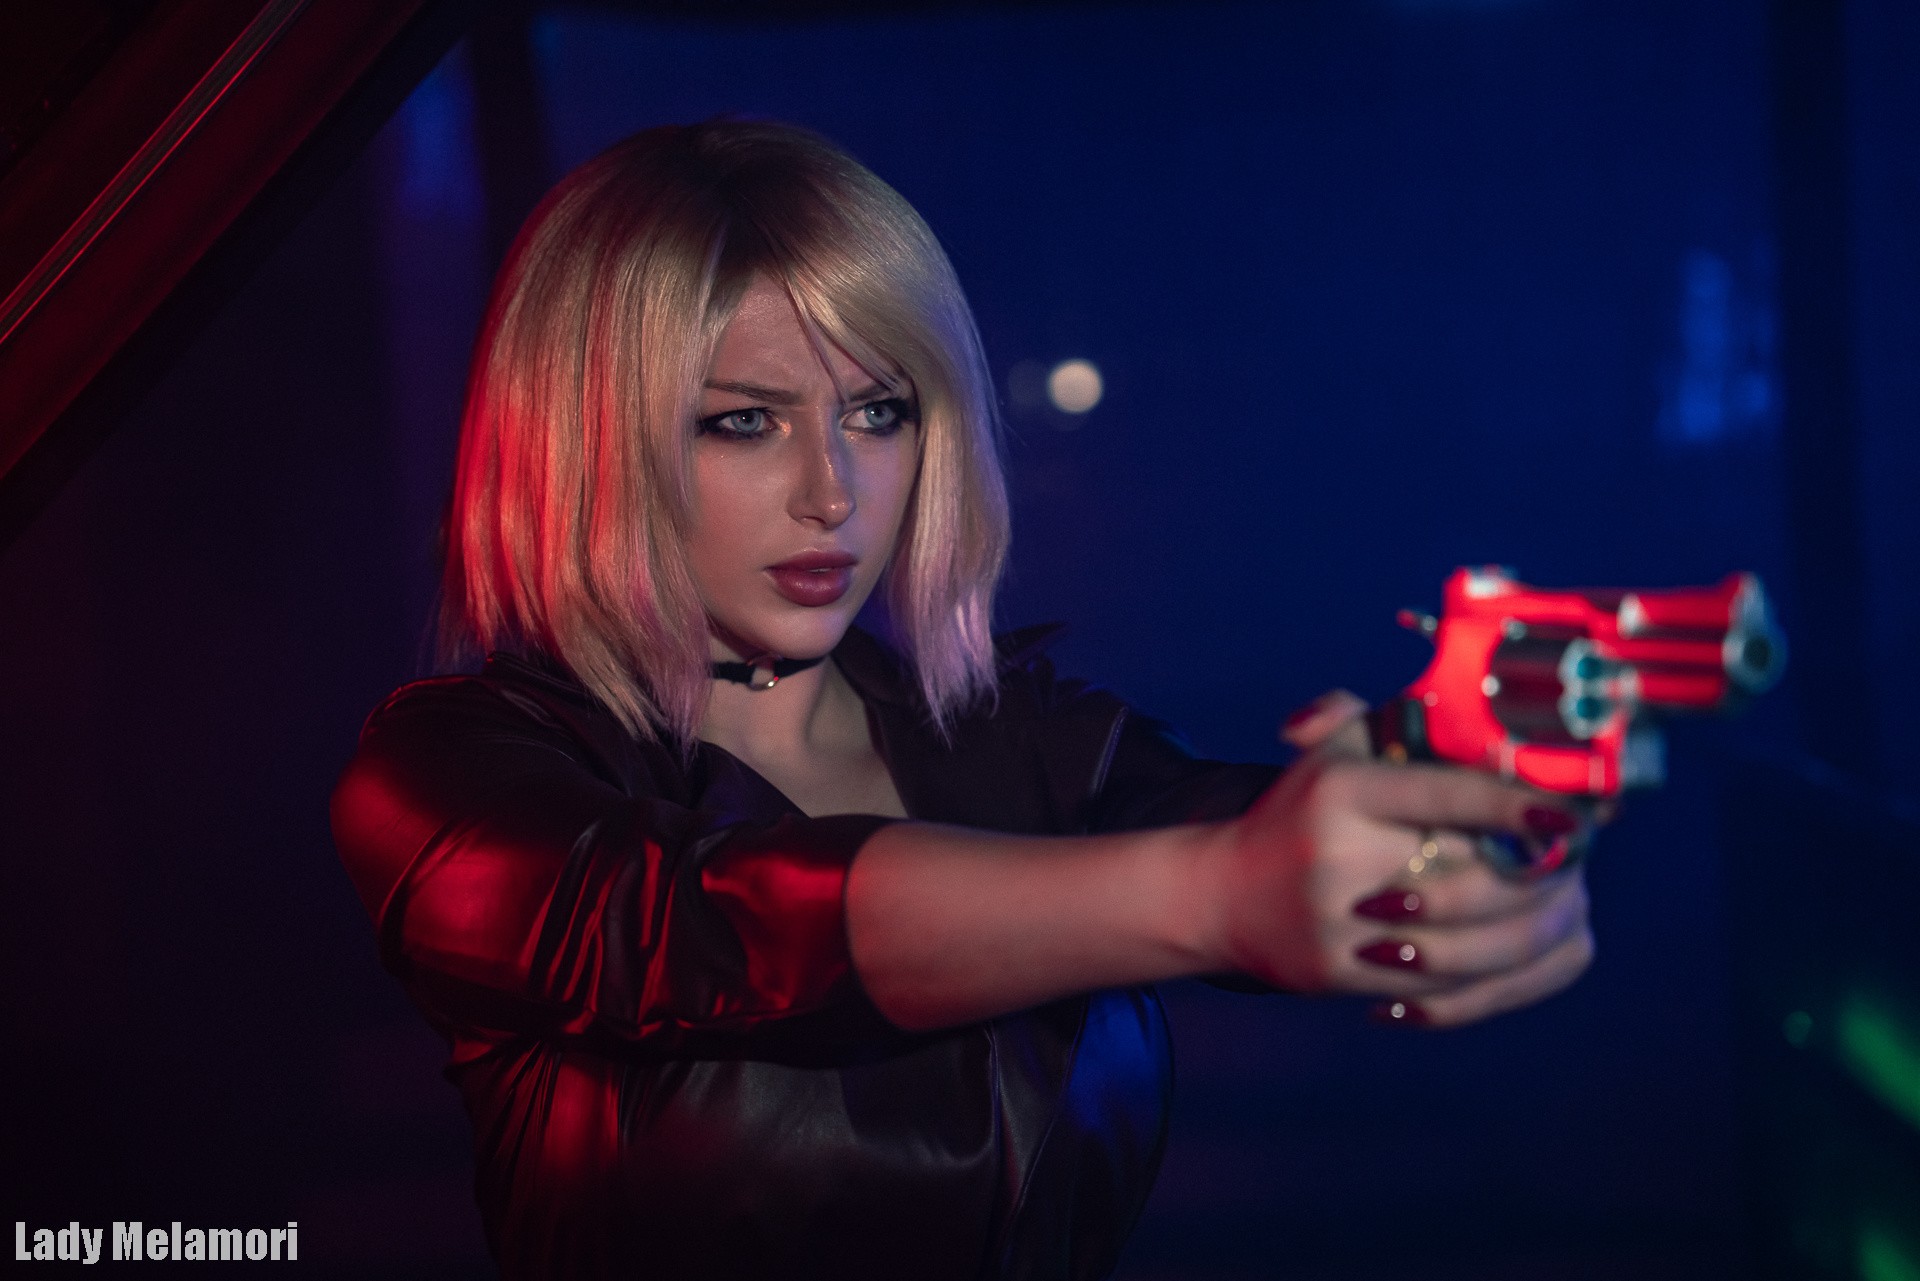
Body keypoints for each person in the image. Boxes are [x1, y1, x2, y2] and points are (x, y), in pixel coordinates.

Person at [331, 119, 1593, 1280]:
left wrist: (1455, 828)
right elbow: (705, 919)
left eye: (878, 411)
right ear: (584, 437)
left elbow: (1261, 833)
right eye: (744, 422)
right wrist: (1215, 895)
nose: (834, 491)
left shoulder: (1019, 738)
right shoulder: (446, 781)